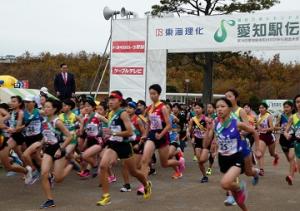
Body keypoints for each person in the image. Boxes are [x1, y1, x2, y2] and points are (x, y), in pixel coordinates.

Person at [205, 97, 261, 211]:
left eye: (222, 106)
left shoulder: (237, 124)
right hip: (223, 158)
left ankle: (244, 184)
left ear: (230, 109)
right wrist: (212, 141)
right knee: (237, 196)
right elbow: (210, 140)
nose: (219, 109)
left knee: (226, 183)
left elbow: (254, 132)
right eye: (217, 107)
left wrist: (258, 149)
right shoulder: (215, 124)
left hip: (238, 155)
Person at [97, 91, 151, 206]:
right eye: (109, 99)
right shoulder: (111, 113)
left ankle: (146, 185)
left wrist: (114, 133)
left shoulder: (123, 113)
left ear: (120, 101)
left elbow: (129, 132)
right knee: (103, 166)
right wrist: (106, 128)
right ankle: (106, 196)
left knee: (134, 172)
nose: (110, 102)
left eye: (113, 99)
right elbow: (112, 126)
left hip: (125, 145)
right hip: (113, 144)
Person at [140, 84, 185, 195]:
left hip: (162, 136)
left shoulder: (163, 107)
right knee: (145, 160)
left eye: (154, 93)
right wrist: (145, 134)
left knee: (164, 163)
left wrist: (160, 135)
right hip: (152, 135)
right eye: (150, 93)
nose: (152, 96)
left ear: (159, 94)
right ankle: (144, 185)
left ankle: (179, 162)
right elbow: (148, 124)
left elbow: (169, 125)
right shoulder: (149, 108)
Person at [40, 98, 74, 209]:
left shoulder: (58, 122)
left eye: (48, 107)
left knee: (58, 179)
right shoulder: (44, 121)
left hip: (59, 149)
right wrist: (41, 146)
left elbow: (70, 136)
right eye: (44, 107)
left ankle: (71, 164)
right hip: (48, 149)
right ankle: (50, 200)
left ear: (54, 109)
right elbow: (46, 136)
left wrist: (60, 149)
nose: (45, 109)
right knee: (44, 174)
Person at [22, 95, 44, 184]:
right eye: (25, 102)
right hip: (28, 138)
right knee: (35, 157)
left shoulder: (39, 112)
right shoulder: (23, 113)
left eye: (28, 102)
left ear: (34, 103)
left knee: (28, 155)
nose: (26, 104)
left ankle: (35, 171)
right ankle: (48, 172)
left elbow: (48, 121)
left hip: (38, 137)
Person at [187, 102, 210, 183]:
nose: (196, 110)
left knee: (203, 159)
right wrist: (190, 135)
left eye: (198, 108)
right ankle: (204, 176)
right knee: (199, 161)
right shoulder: (192, 119)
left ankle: (208, 156)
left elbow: (210, 130)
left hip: (205, 141)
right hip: (197, 140)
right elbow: (190, 129)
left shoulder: (206, 119)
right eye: (195, 108)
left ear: (202, 109)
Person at [274, 101, 295, 185]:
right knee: (289, 159)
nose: (285, 109)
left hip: (293, 138)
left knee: (291, 157)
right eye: (284, 107)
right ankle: (293, 166)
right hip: (283, 139)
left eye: (287, 107)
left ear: (292, 108)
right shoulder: (281, 116)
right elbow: (275, 127)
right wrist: (281, 127)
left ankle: (290, 176)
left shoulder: (295, 116)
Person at [256, 102, 279, 176]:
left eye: (263, 108)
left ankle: (276, 156)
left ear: (266, 109)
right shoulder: (257, 116)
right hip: (262, 136)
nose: (261, 109)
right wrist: (258, 128)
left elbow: (272, 128)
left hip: (269, 136)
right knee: (260, 153)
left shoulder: (269, 116)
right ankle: (261, 169)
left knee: (272, 153)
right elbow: (257, 127)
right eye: (260, 108)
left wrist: (265, 129)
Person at [284, 95, 300, 185]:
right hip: (298, 143)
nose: (299, 104)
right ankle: (291, 175)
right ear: (295, 104)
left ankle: (290, 175)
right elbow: (286, 131)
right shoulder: (292, 117)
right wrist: (286, 135)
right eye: (297, 102)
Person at [206, 103, 217, 176]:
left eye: (210, 107)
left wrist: (215, 138)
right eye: (207, 107)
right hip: (205, 136)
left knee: (211, 153)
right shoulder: (204, 116)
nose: (208, 109)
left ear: (214, 109)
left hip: (214, 136)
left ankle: (209, 168)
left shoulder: (216, 117)